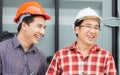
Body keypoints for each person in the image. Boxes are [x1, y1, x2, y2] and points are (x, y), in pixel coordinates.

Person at [46, 7, 117, 75]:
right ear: (77, 29)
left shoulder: (106, 57)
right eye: (88, 26)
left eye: (96, 27)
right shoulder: (60, 56)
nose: (93, 31)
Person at [0, 1, 51, 75]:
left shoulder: (40, 57)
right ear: (24, 26)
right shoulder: (1, 51)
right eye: (39, 26)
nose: (43, 32)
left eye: (44, 28)